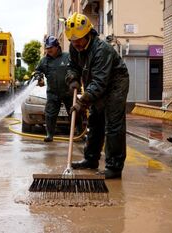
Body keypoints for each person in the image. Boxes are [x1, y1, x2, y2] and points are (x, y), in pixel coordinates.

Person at [64, 13, 129, 179]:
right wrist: (72, 79)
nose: (76, 43)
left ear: (88, 34)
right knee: (95, 121)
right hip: (96, 83)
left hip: (115, 84)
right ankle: (91, 159)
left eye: (79, 39)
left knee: (113, 125)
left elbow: (100, 82)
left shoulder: (102, 50)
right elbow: (73, 66)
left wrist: (82, 101)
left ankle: (114, 167)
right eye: (73, 40)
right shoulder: (75, 47)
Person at [34, 36, 81, 142]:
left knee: (75, 112)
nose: (48, 50)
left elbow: (76, 69)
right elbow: (37, 71)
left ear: (57, 47)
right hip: (53, 92)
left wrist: (76, 80)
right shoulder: (44, 61)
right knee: (50, 113)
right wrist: (38, 77)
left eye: (51, 48)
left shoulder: (67, 57)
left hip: (68, 91)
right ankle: (50, 134)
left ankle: (78, 132)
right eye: (47, 48)